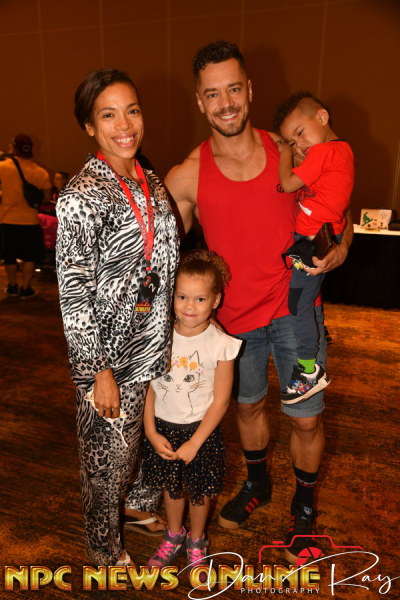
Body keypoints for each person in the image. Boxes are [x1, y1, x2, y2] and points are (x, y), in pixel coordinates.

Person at [164, 41, 353, 564]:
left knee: (306, 419)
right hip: (233, 324)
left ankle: (304, 509)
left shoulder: (289, 150)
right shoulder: (187, 174)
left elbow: (340, 206)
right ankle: (257, 484)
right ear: (200, 102)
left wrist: (341, 248)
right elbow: (156, 250)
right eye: (212, 94)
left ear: (248, 90)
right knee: (246, 408)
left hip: (295, 314)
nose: (225, 103)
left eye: (233, 89)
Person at [56, 68, 179, 566]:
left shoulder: (145, 176)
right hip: (111, 355)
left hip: (153, 342)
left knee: (146, 442)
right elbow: (73, 293)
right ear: (90, 126)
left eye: (132, 110)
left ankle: (137, 504)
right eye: (108, 115)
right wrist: (96, 372)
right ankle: (104, 548)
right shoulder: (82, 194)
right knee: (106, 461)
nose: (124, 124)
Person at [143, 250, 242, 569]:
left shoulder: (221, 343)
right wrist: (150, 431)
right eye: (182, 297)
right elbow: (148, 387)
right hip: (163, 428)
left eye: (200, 299)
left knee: (199, 491)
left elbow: (221, 400)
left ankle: (196, 539)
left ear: (216, 300)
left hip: (201, 433)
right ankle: (174, 534)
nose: (189, 306)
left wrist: (195, 442)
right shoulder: (159, 335)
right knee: (171, 489)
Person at [273, 92, 354, 403]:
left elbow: (288, 184)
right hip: (317, 238)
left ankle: (309, 371)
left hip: (311, 241)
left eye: (299, 133)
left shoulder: (324, 152)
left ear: (322, 117)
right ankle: (309, 366)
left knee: (299, 306)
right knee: (300, 299)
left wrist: (283, 152)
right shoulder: (342, 151)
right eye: (291, 142)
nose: (298, 145)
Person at [0, 134, 51, 297]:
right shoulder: (40, 172)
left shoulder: (3, 167)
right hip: (30, 221)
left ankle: (12, 286)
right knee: (29, 257)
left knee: (9, 256)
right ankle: (26, 288)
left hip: (7, 219)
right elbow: (46, 197)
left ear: (14, 147)